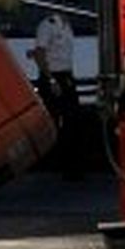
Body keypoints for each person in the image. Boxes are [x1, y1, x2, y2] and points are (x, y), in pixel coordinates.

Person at [29, 12, 83, 172]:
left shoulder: (68, 26)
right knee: (53, 121)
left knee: (73, 120)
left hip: (66, 75)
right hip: (53, 76)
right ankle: (54, 164)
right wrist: (51, 80)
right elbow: (39, 53)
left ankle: (72, 164)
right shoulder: (48, 25)